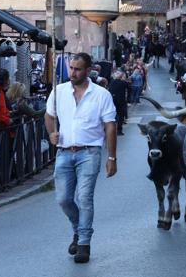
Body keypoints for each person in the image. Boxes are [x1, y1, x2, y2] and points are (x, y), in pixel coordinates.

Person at [44, 52, 117, 264]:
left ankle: (84, 243)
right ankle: (78, 230)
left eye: (77, 69)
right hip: (64, 152)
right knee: (64, 199)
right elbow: (49, 115)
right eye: (71, 68)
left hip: (89, 152)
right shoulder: (59, 91)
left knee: (85, 198)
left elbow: (110, 126)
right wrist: (51, 133)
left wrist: (112, 157)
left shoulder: (101, 94)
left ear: (87, 71)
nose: (72, 72)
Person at [108, 71, 129, 136]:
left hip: (112, 101)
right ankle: (119, 130)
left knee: (113, 116)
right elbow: (130, 88)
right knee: (121, 116)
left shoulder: (111, 82)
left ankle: (111, 130)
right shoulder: (123, 82)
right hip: (121, 101)